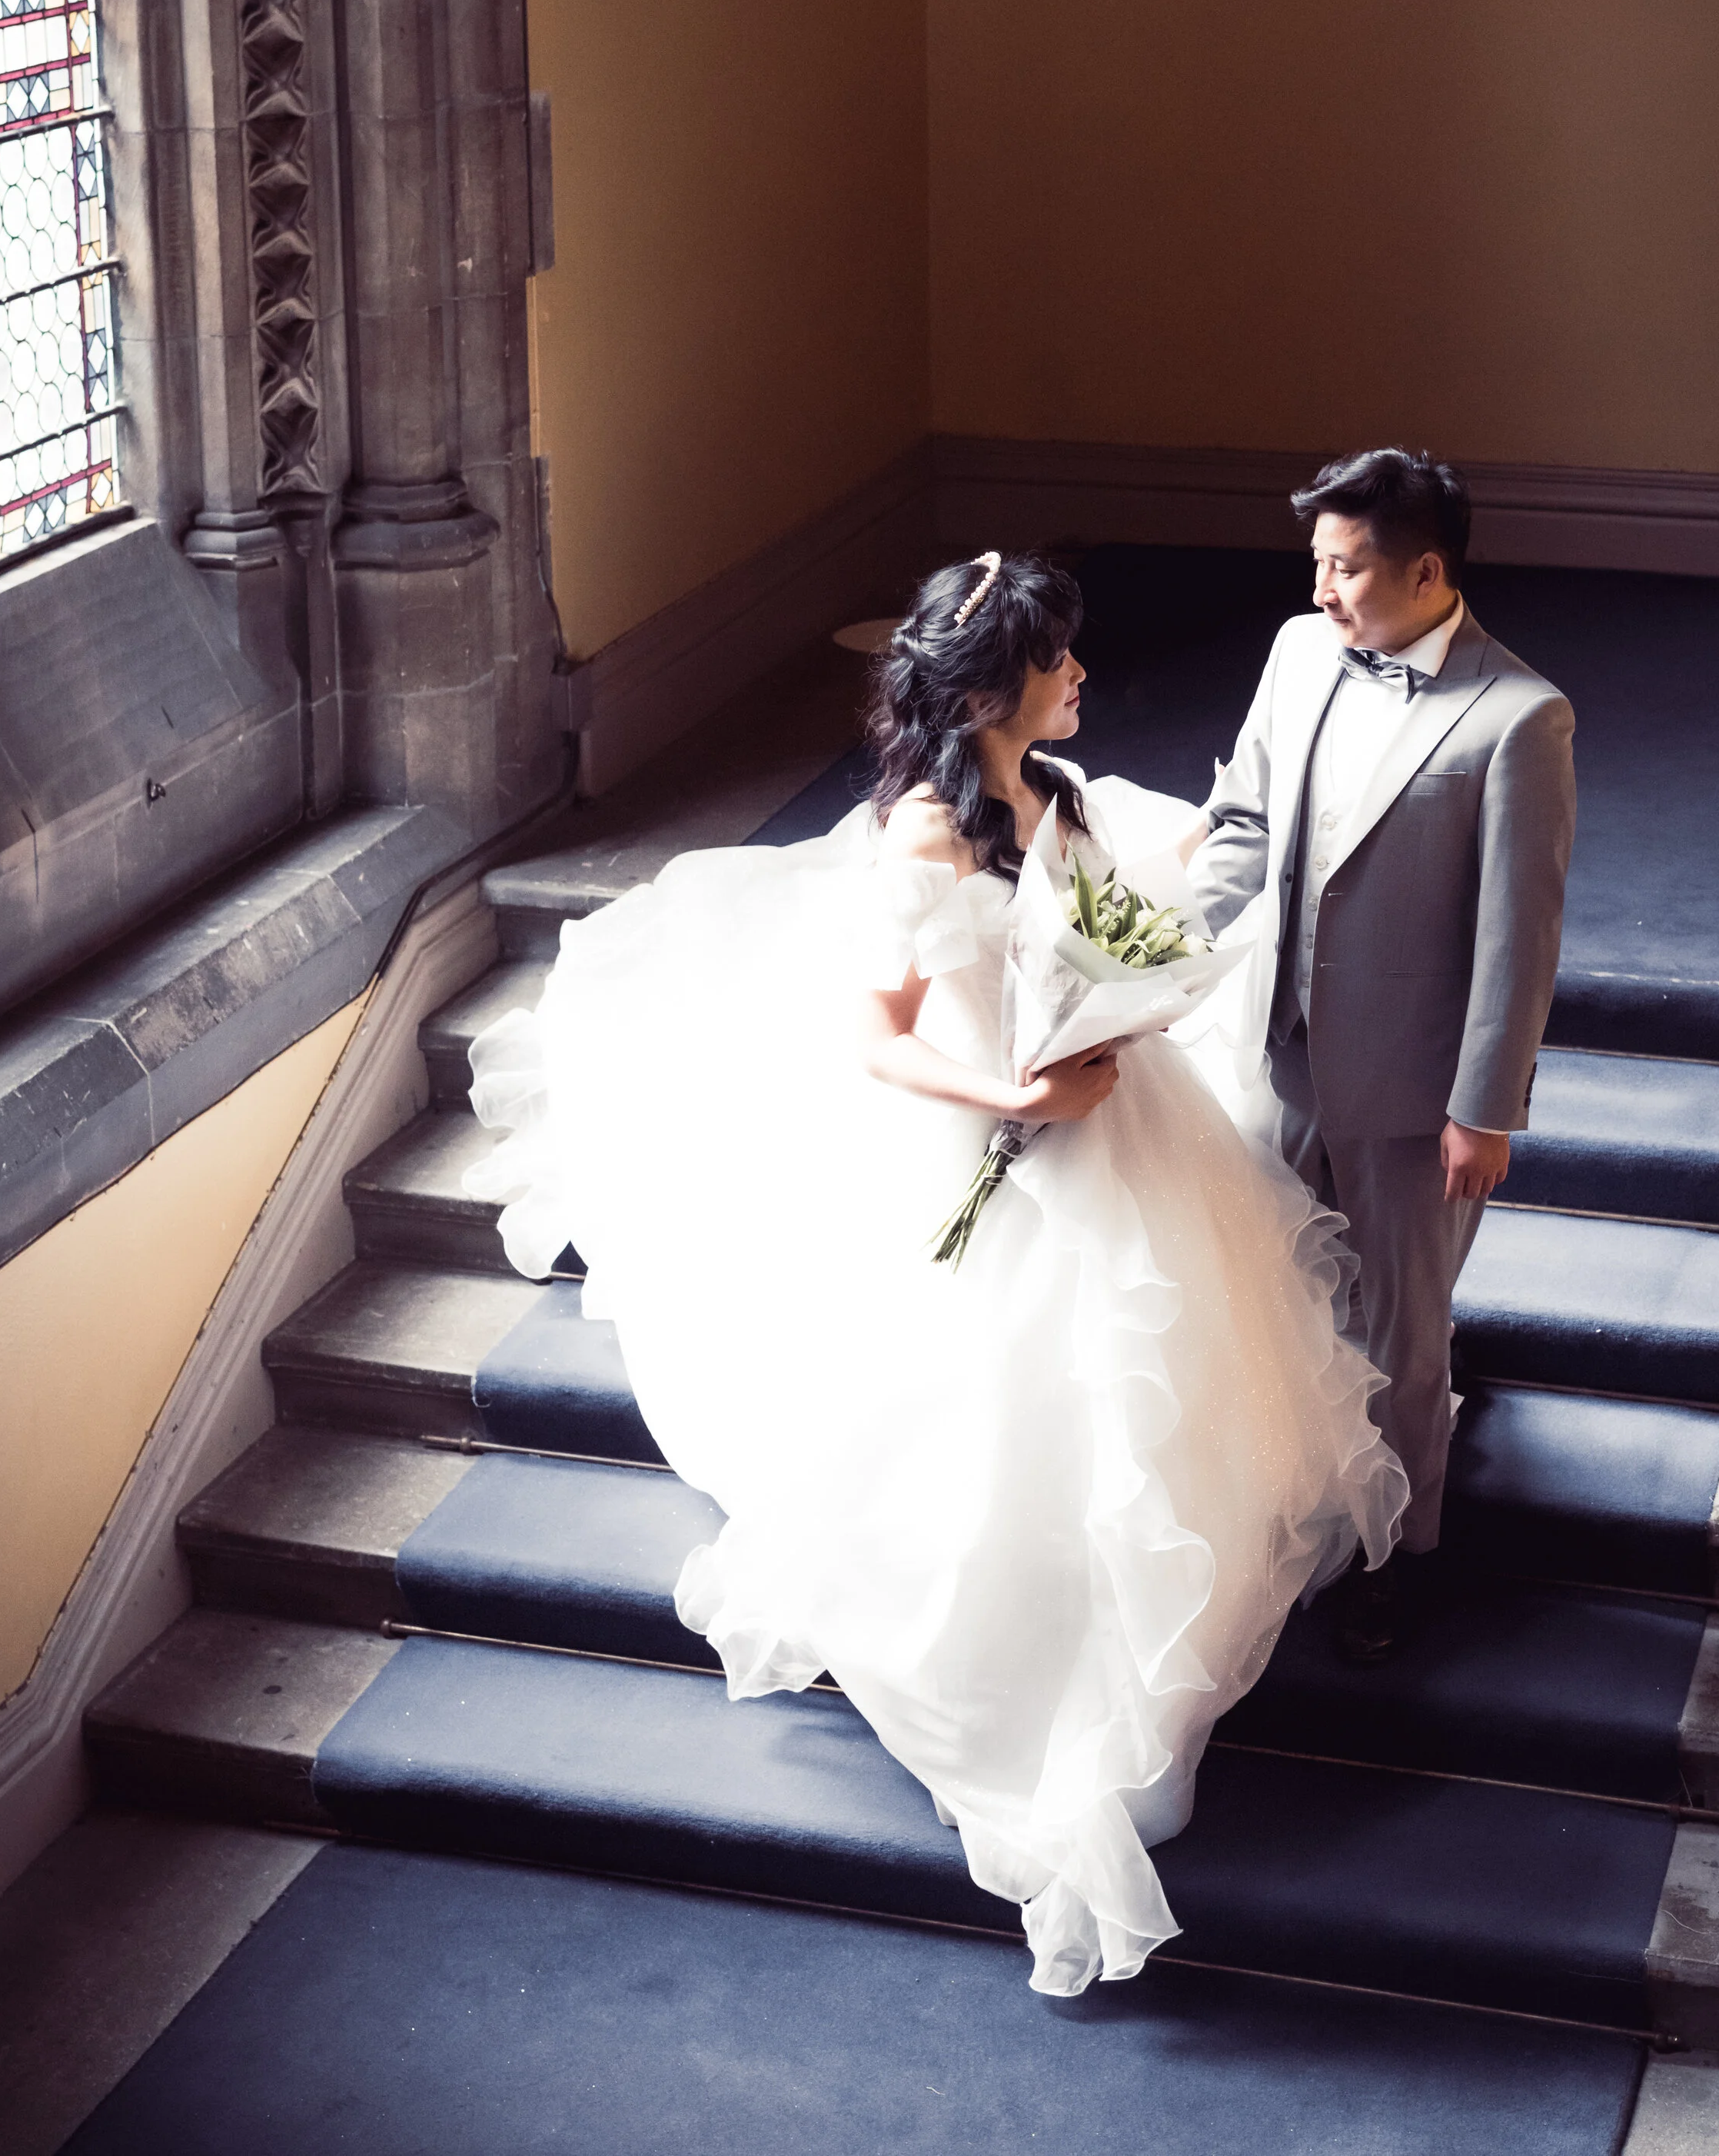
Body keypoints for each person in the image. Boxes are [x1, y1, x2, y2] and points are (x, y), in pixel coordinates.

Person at [467, 551, 1405, 1999]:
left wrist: (1132, 1004)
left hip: (1124, 1123)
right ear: (986, 692)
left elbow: (1094, 929)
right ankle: (1041, 1668)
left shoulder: (1058, 792)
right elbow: (878, 1039)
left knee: (1174, 1378)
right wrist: (1016, 1101)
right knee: (1013, 1407)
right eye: (1058, 660)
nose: (1084, 674)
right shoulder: (923, 843)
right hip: (1001, 1135)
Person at [1183, 451, 1576, 1664]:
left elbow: (1520, 934)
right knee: (1291, 1290)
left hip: (1416, 1094)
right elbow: (1247, 818)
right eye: (1316, 563)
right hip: (1286, 1048)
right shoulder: (1303, 654)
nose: (1322, 593)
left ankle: (1403, 1556)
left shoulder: (1521, 718)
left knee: (1406, 1335)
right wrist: (1158, 949)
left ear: (1427, 570)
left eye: (1344, 568)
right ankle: (1309, 1505)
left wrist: (1485, 1109)